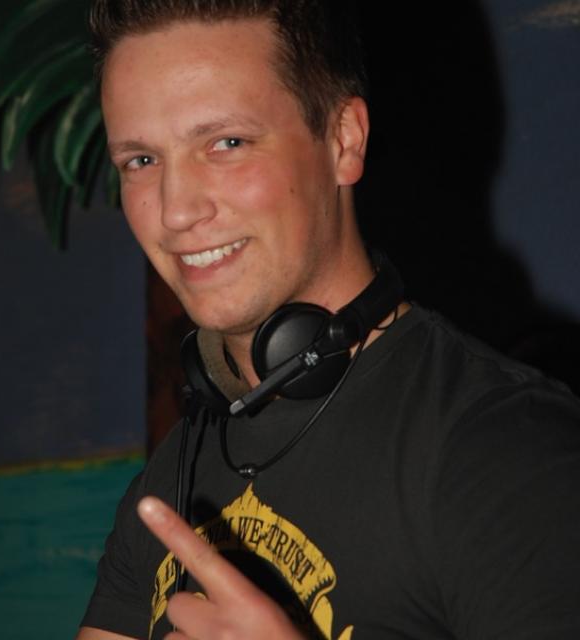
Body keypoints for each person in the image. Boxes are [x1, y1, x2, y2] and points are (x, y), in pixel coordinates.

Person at [78, 1, 580, 639]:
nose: (175, 211)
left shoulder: (508, 450)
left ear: (344, 139)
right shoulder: (174, 476)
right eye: (141, 161)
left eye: (226, 144)